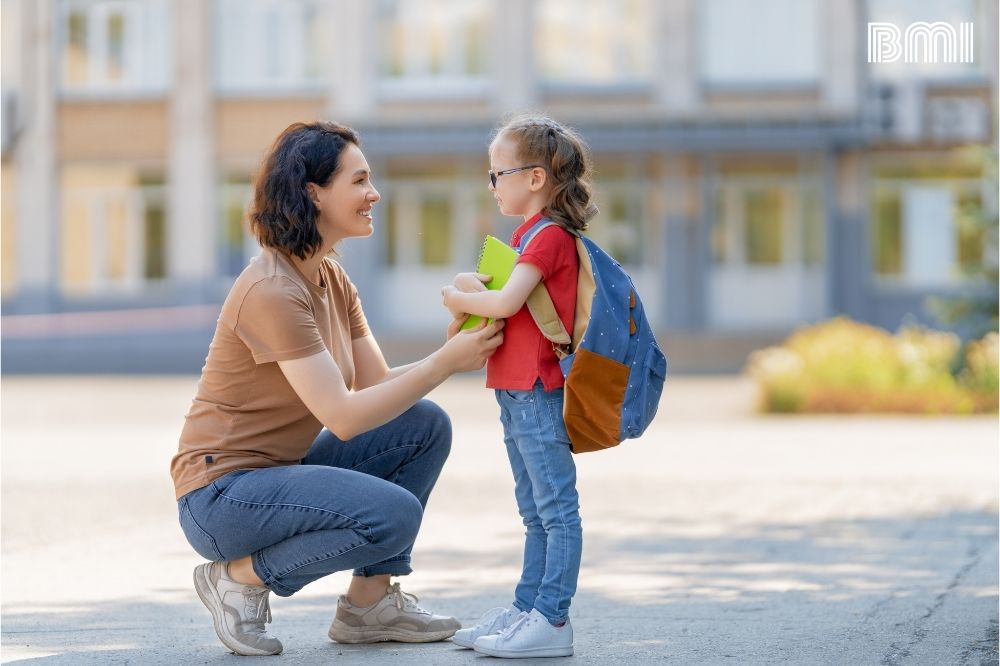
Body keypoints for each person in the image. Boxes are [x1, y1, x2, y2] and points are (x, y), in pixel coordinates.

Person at [170, 120, 504, 657]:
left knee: (423, 424)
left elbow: (376, 387)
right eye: (360, 181)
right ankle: (238, 578)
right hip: (222, 500)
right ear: (313, 193)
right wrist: (443, 364)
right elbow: (345, 417)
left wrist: (451, 351)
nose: (374, 194)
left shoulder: (330, 277)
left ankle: (369, 606)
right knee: (393, 515)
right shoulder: (272, 289)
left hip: (279, 477)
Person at [440, 114, 598, 659]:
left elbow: (505, 304)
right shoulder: (525, 235)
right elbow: (506, 304)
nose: (492, 184)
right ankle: (528, 607)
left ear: (534, 178)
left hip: (537, 388)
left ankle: (552, 620)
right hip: (514, 388)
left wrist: (458, 298)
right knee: (534, 511)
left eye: (497, 174)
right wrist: (469, 290)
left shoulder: (549, 235)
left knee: (556, 510)